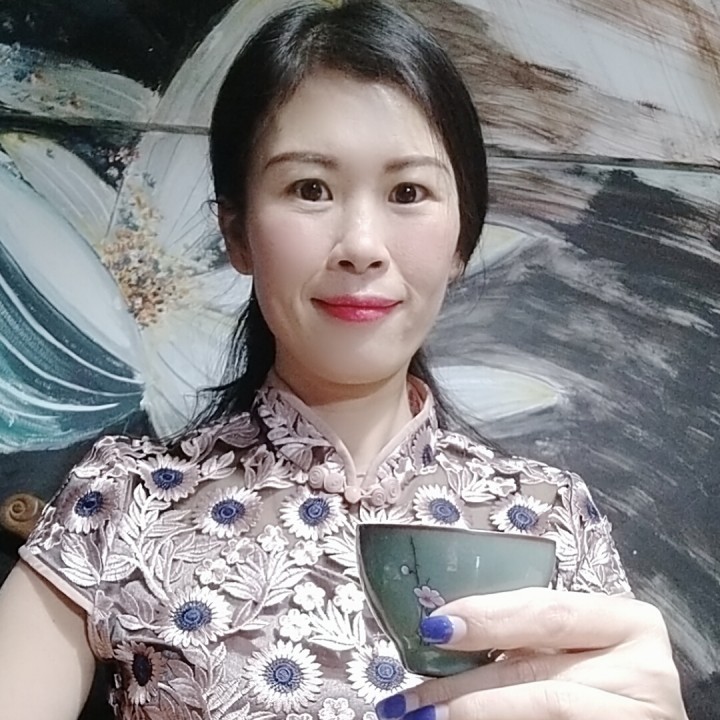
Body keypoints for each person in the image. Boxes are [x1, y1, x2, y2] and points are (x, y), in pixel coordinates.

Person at [0, 1, 688, 719]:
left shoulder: (550, 515)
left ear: (462, 239)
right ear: (236, 232)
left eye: (408, 192)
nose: (361, 244)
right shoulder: (126, 502)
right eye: (310, 189)